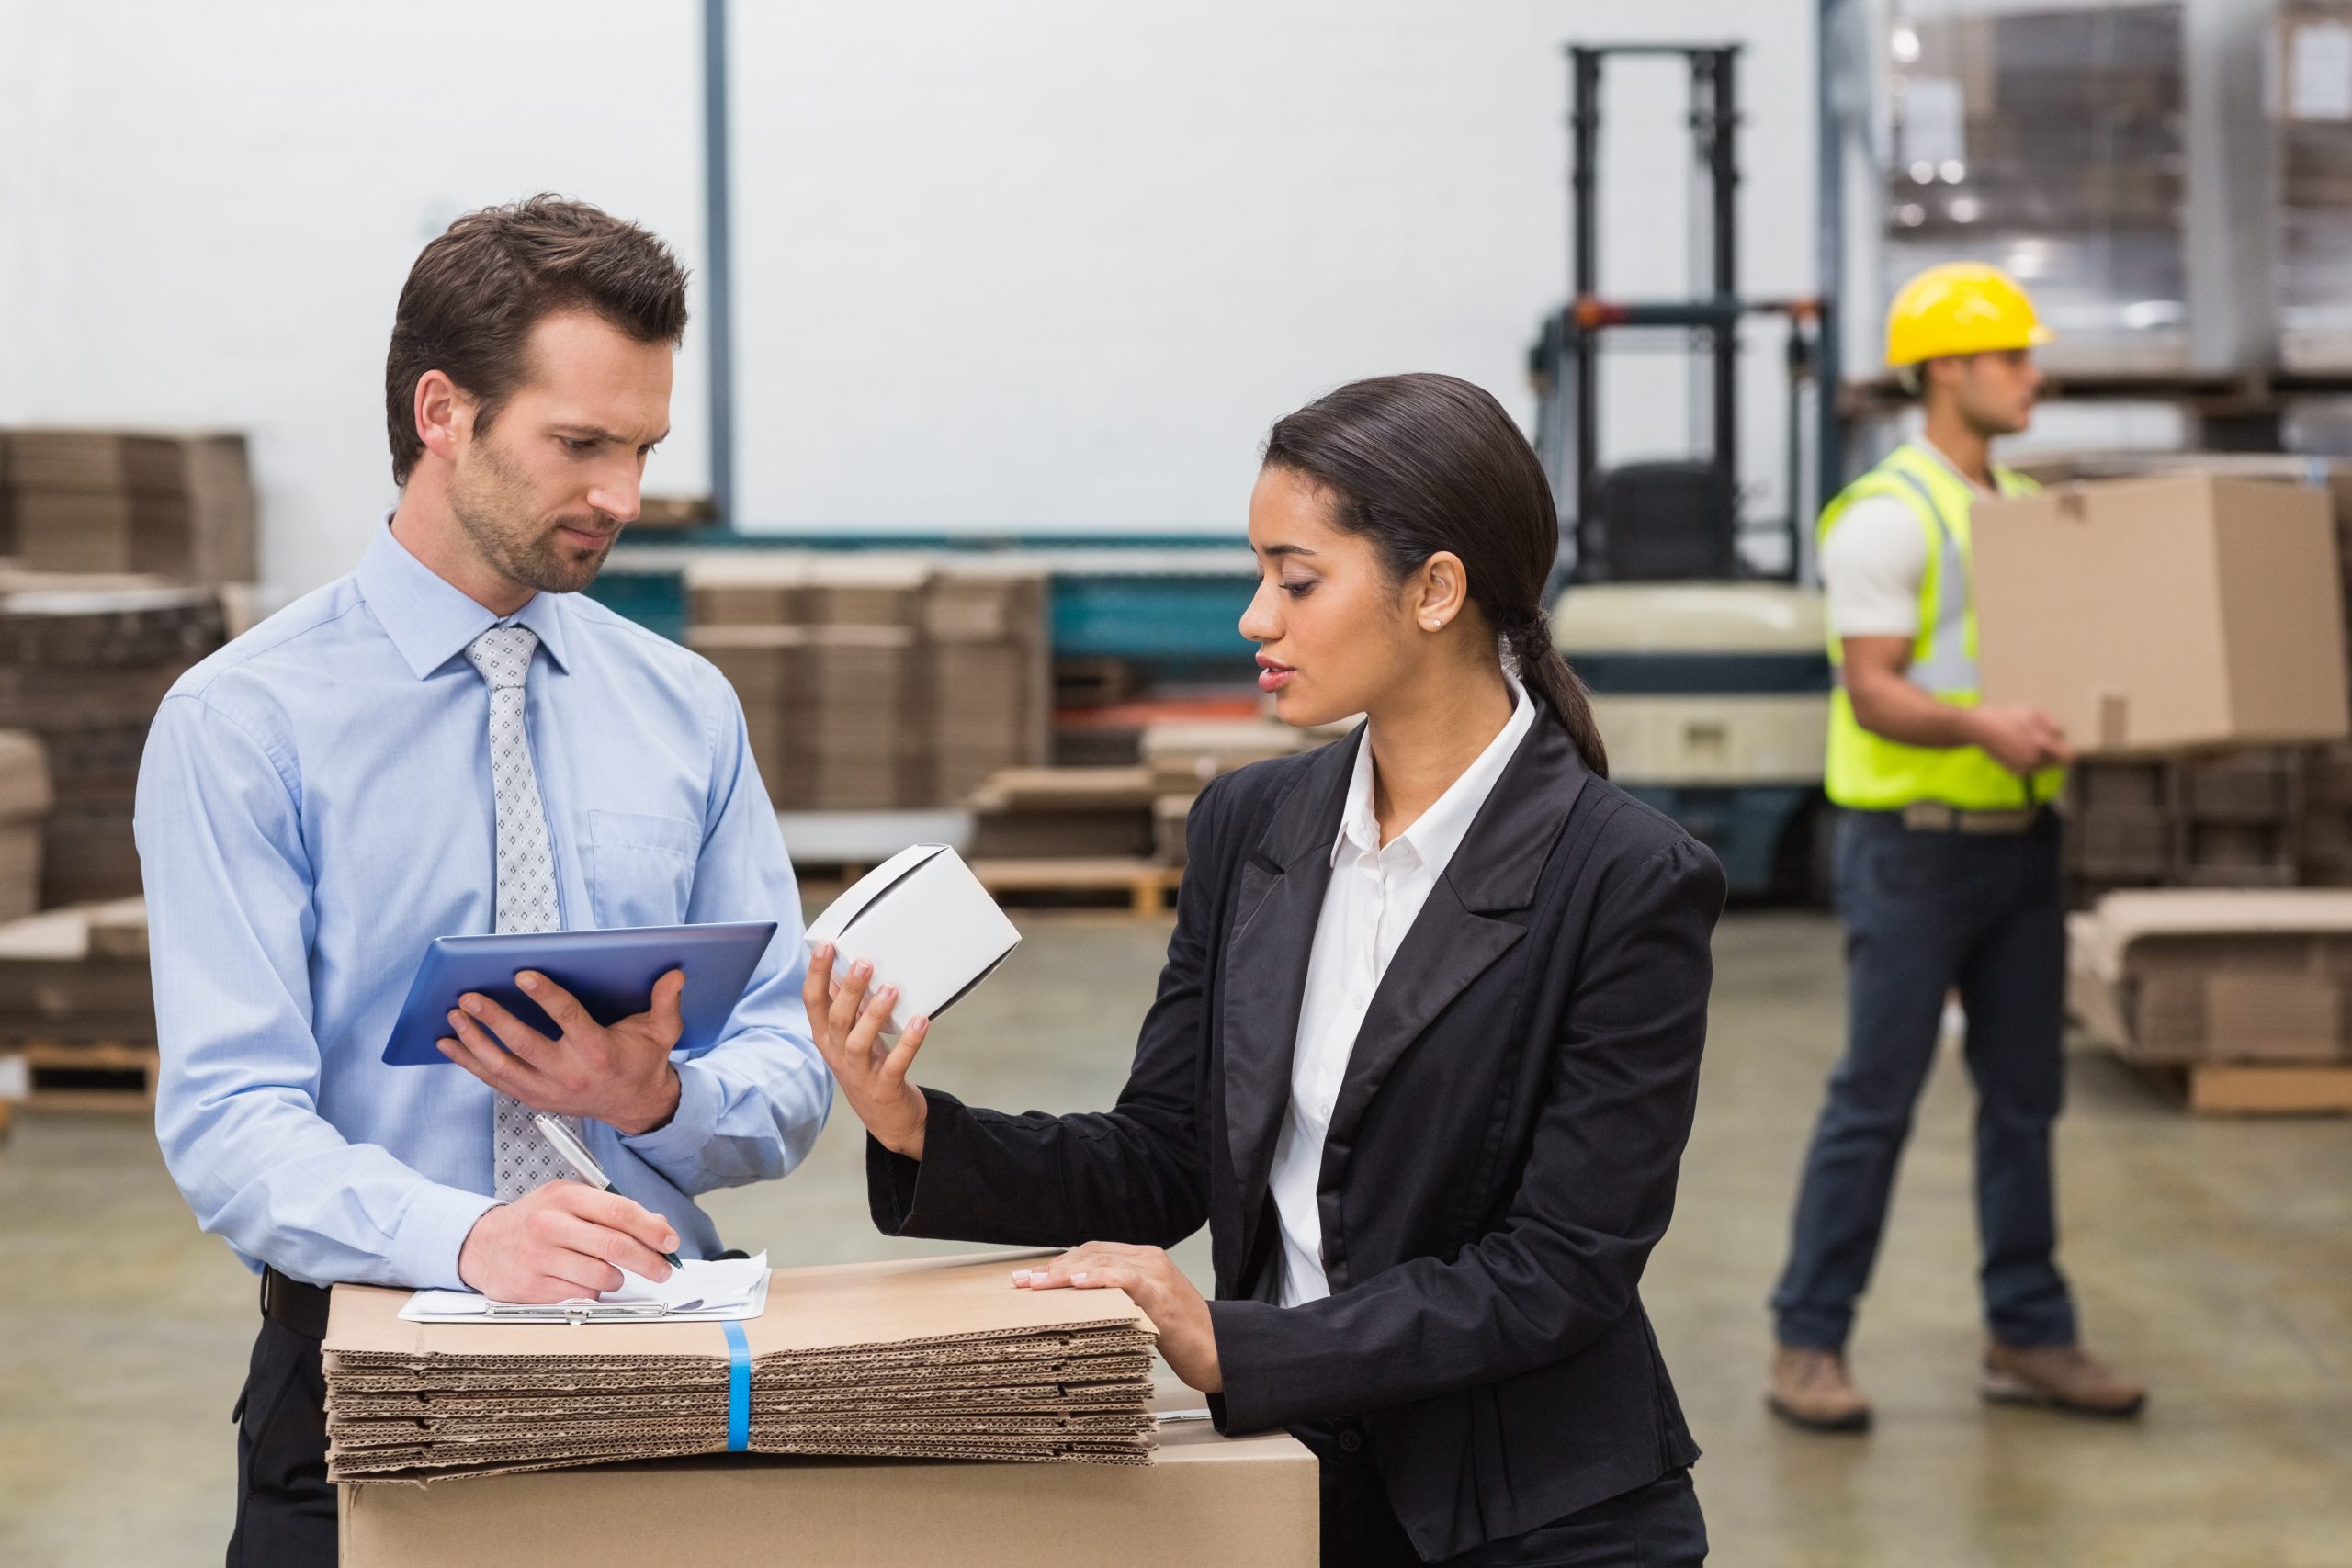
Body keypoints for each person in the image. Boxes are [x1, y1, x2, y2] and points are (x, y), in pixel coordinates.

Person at [809, 374, 1725, 1566]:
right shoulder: (1253, 825)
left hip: (1531, 1509)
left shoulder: (1627, 879)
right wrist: (920, 1125)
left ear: (1437, 588)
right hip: (1297, 1477)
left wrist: (1238, 1344)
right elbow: (1167, 1153)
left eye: (1296, 579)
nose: (1255, 617)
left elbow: (1556, 1270)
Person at [137, 196, 831, 1567]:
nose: (622, 497)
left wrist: (665, 1095)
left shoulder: (685, 708)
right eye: (580, 443)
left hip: (661, 1376)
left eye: (641, 447)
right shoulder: (244, 723)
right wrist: (473, 1239)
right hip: (362, 1385)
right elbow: (230, 1114)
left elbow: (787, 1056)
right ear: (442, 411)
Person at [1765, 263, 2146, 1431]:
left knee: (2025, 1100)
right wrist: (1986, 725)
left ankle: (2026, 1333)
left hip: (2020, 842)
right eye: (2013, 357)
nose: (2035, 378)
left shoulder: (2020, 506)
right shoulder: (1889, 516)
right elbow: (1874, 692)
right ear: (1947, 370)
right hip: (1912, 852)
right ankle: (1807, 1341)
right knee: (1875, 1098)